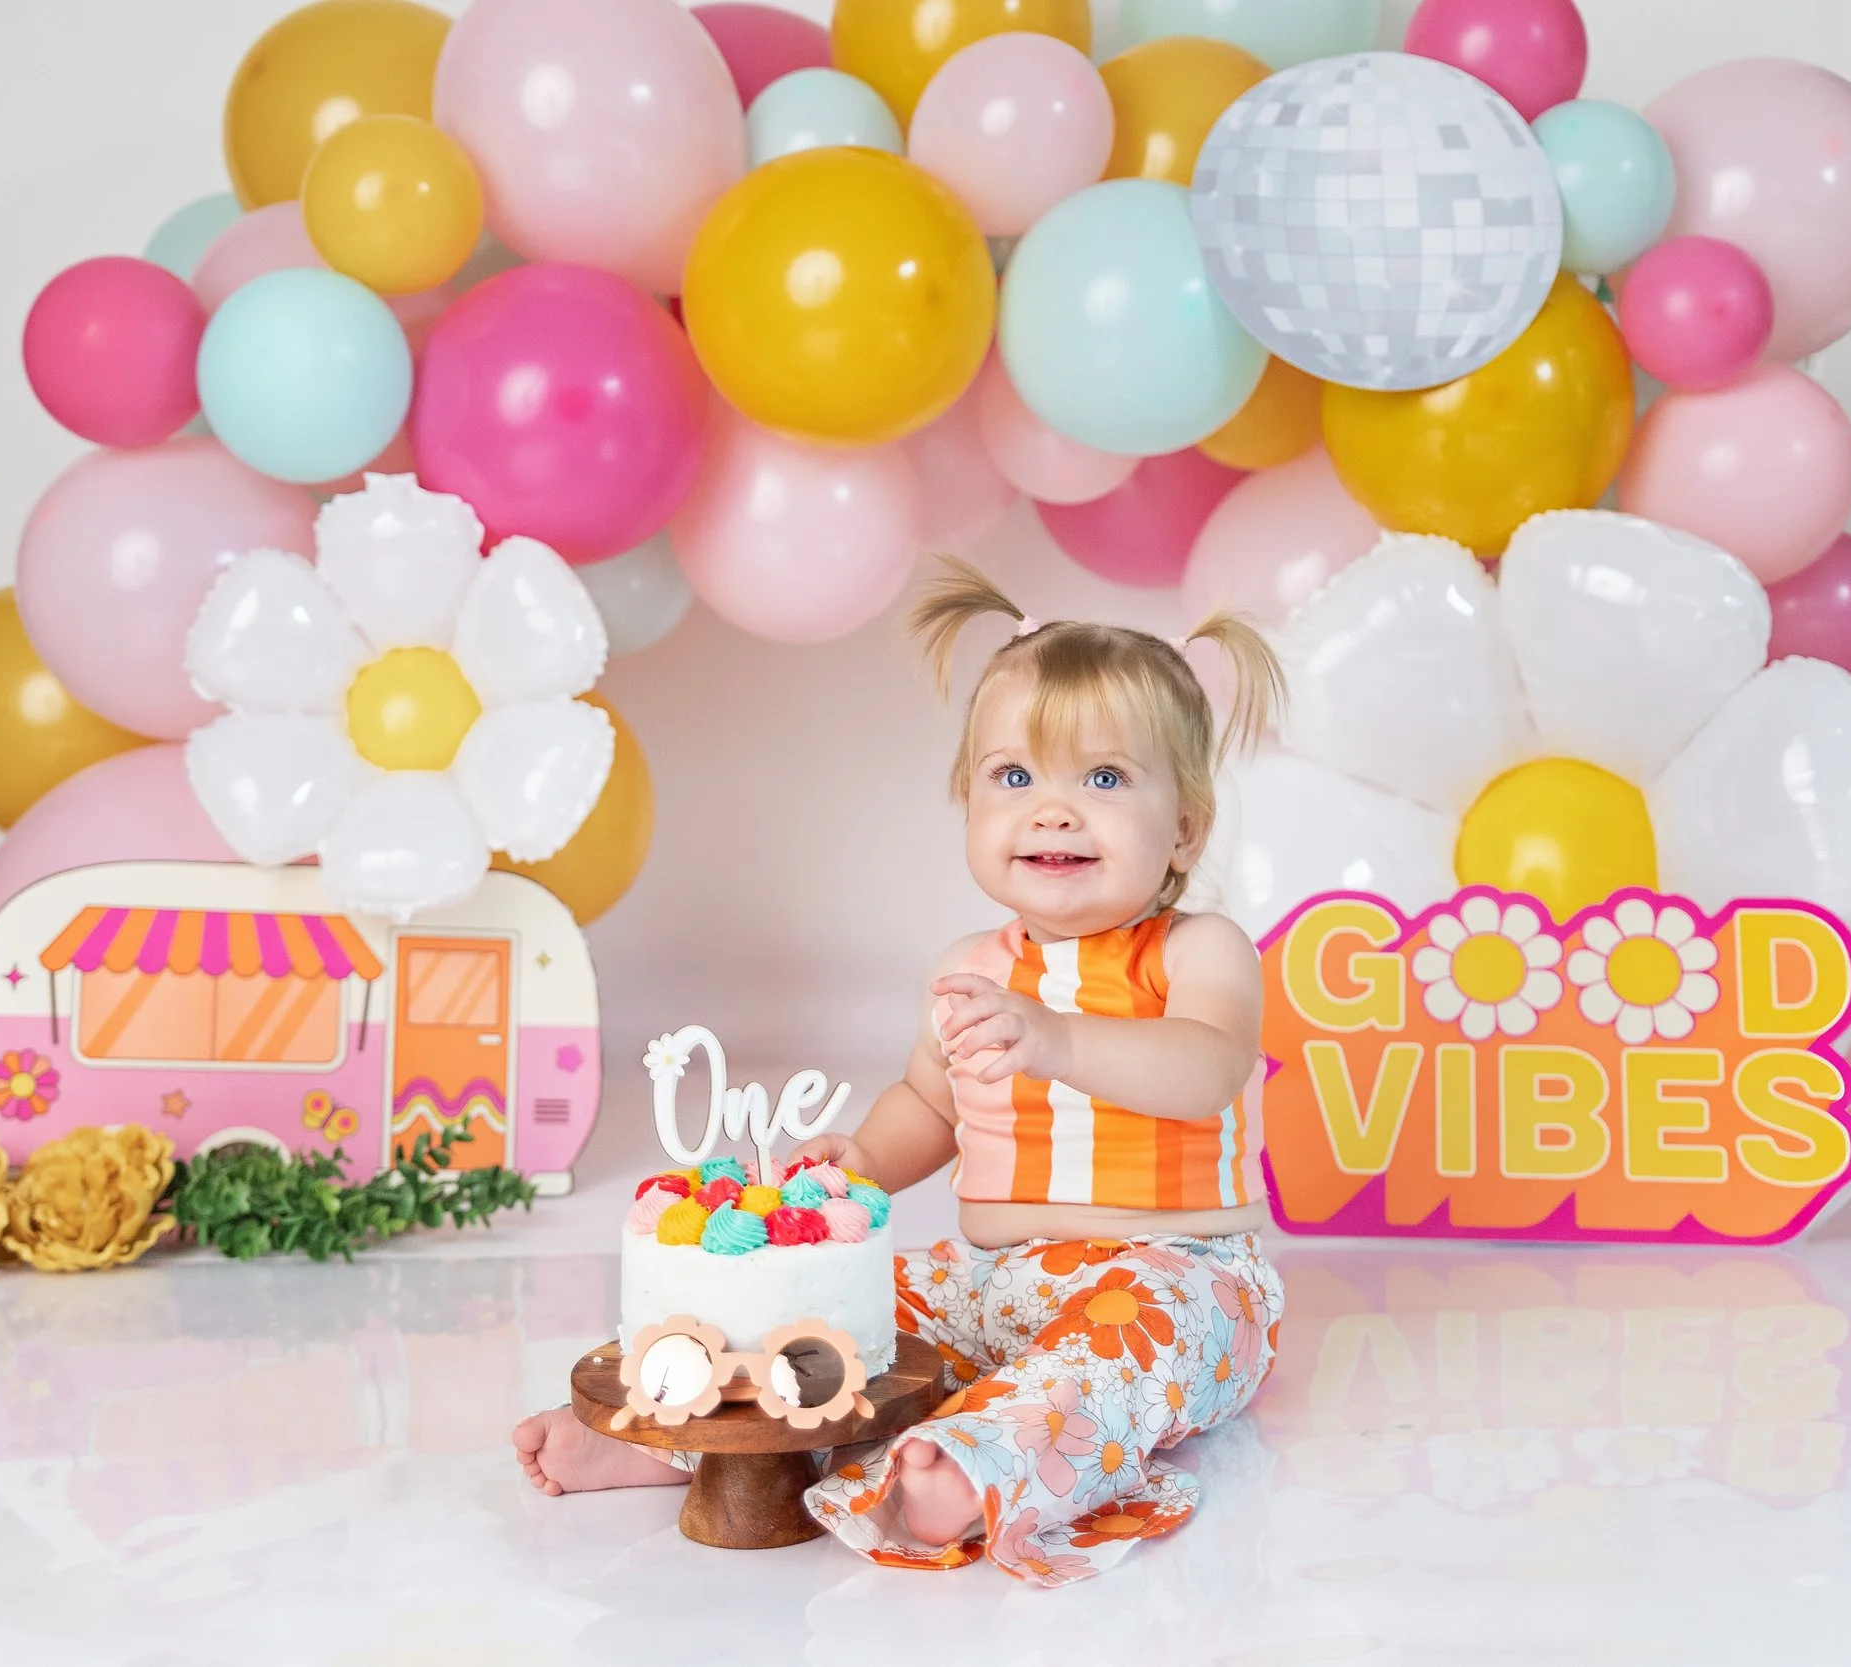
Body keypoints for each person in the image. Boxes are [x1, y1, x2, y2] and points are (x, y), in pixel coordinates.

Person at [513, 558, 1289, 1586]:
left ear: (1184, 824)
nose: (1052, 810)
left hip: (1173, 1271)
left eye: (1102, 778)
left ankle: (987, 1465)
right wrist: (865, 1156)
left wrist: (1055, 1038)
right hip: (995, 1278)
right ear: (968, 800)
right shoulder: (971, 968)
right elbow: (932, 1100)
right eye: (1015, 776)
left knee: (1110, 1352)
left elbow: (1206, 1067)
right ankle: (687, 1432)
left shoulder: (1197, 950)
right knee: (845, 1311)